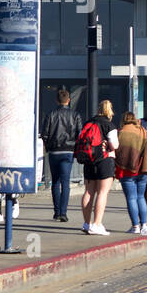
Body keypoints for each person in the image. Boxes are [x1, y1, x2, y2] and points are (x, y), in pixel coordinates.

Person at [78, 99, 119, 235]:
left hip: (89, 161)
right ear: (110, 110)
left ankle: (86, 223)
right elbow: (115, 145)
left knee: (89, 191)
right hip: (104, 161)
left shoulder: (88, 123)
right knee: (102, 192)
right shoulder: (109, 125)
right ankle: (97, 224)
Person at [41, 88, 81, 222]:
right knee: (65, 183)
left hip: (53, 152)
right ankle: (63, 212)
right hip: (68, 151)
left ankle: (57, 211)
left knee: (55, 183)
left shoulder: (51, 114)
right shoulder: (75, 115)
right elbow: (79, 134)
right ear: (68, 100)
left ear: (57, 100)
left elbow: (45, 134)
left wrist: (48, 147)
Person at [115, 111, 147, 235]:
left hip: (126, 170)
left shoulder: (119, 133)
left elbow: (117, 151)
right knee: (141, 197)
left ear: (124, 120)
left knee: (131, 198)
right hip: (143, 169)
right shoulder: (143, 131)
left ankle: (135, 226)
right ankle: (144, 226)